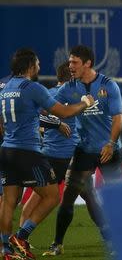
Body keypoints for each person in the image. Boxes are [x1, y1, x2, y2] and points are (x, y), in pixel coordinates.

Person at [0, 48, 94, 260]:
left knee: (8, 202)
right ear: (30, 66)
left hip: (6, 150)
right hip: (28, 152)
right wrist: (84, 103)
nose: (40, 67)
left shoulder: (3, 89)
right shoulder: (33, 87)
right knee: (52, 196)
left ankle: (5, 250)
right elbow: (64, 112)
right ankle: (21, 236)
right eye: (38, 64)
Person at [43, 45, 122, 256]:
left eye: (74, 62)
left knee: (117, 198)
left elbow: (118, 118)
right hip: (85, 149)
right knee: (69, 196)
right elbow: (50, 107)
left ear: (87, 63)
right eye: (69, 62)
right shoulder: (68, 88)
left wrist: (111, 143)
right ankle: (57, 244)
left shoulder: (109, 85)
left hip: (110, 150)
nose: (70, 66)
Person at [19, 61, 79, 227]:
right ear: (71, 77)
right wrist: (57, 124)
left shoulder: (48, 94)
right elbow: (36, 117)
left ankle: (22, 238)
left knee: (39, 198)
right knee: (45, 198)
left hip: (55, 153)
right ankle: (22, 238)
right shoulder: (64, 95)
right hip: (59, 155)